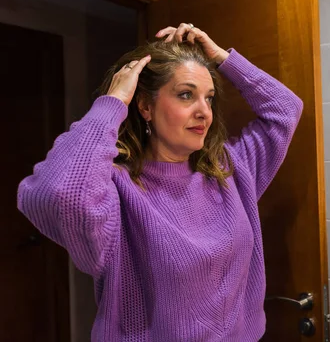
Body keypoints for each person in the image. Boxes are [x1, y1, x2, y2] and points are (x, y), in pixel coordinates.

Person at [16, 23, 303, 341]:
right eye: (186, 95)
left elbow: (285, 111)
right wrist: (113, 103)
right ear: (145, 106)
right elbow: (58, 194)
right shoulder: (117, 190)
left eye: (209, 98)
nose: (204, 112)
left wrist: (222, 58)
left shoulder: (229, 172)